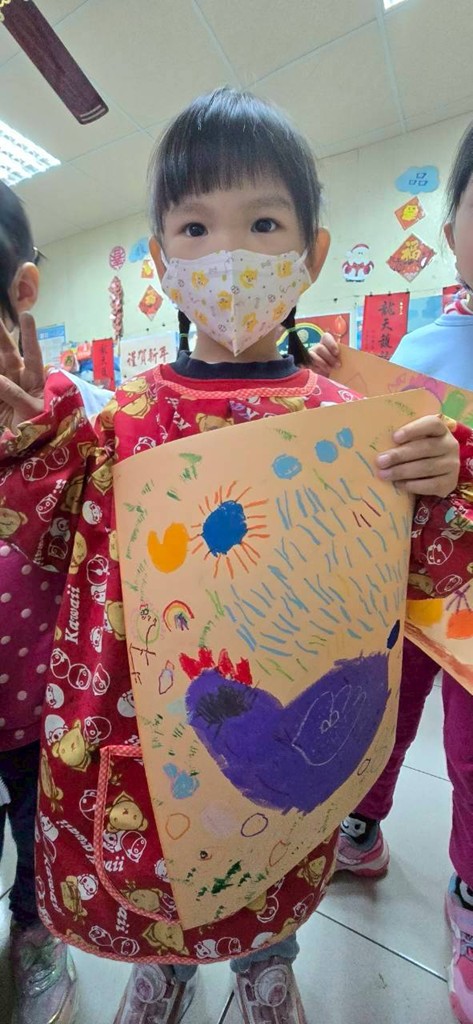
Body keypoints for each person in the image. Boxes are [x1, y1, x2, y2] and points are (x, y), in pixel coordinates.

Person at [0, 89, 470, 1024]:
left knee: (271, 845)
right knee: (158, 859)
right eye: (195, 228)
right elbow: (49, 540)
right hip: (153, 714)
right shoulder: (120, 422)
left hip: (296, 707)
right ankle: (164, 970)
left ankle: (266, 963)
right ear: (162, 263)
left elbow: (421, 580)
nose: (230, 255)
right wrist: (30, 448)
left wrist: (443, 480)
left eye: (262, 224)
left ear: (311, 254)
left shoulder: (359, 424)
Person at [310, 121, 473, 1024]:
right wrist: (336, 388)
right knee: (379, 717)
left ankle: (470, 893)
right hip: (402, 595)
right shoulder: (416, 350)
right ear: (450, 231)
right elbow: (359, 459)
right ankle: (361, 826)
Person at [0, 182, 112, 1024]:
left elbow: (106, 535)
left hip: (37, 697)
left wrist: (45, 440)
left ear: (22, 291)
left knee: (37, 828)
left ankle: (35, 928)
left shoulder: (70, 407)